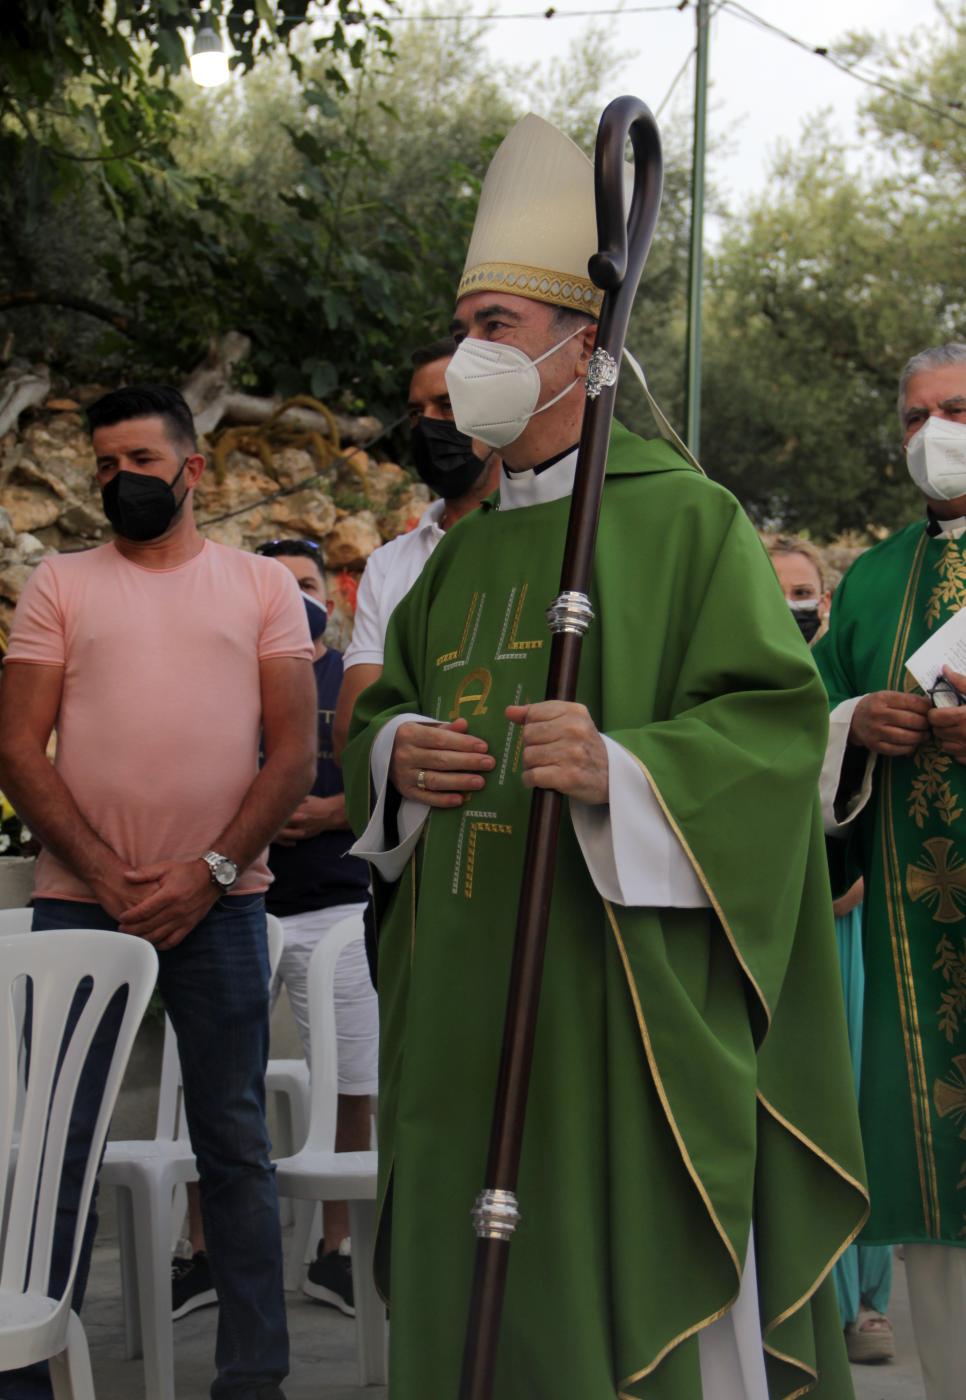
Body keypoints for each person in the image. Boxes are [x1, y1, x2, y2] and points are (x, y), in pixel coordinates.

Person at [342, 113, 867, 1400]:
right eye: (462, 325)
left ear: (587, 345)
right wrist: (398, 754)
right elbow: (376, 715)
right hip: (458, 1002)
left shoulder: (688, 525)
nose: (471, 356)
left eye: (496, 327)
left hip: (603, 1005)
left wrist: (621, 769)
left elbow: (771, 732)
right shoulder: (454, 558)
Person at [0, 384, 317, 1400]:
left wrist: (210, 871)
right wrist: (103, 872)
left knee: (233, 1138)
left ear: (193, 468)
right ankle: (26, 1371)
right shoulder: (60, 580)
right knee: (56, 1137)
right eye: (102, 464)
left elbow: (296, 750)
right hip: (79, 902)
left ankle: (253, 1375)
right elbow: (15, 745)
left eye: (138, 459)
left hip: (222, 904)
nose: (117, 480)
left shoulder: (263, 588)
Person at [170, 540, 376, 1322]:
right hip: (234, 906)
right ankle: (203, 1252)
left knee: (352, 1080)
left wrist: (328, 810)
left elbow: (386, 772)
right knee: (214, 1079)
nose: (296, 597)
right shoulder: (223, 672)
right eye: (280, 584)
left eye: (308, 585)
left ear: (331, 596)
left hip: (336, 903)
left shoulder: (351, 675)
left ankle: (338, 1251)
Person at [814, 342, 966, 1399]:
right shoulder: (872, 578)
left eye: (954, 410)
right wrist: (852, 724)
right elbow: (792, 724)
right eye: (914, 418)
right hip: (923, 960)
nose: (932, 436)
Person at [767, 535, 894, 1365]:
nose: (793, 604)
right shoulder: (749, 672)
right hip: (776, 914)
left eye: (805, 590)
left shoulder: (843, 667)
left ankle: (868, 1301)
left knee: (858, 1093)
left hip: (849, 913)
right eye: (776, 590)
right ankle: (803, 1292)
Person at [332, 337, 501, 760]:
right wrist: (400, 756)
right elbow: (355, 727)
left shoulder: (553, 535)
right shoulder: (390, 563)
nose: (427, 425)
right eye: (415, 413)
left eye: (447, 406)